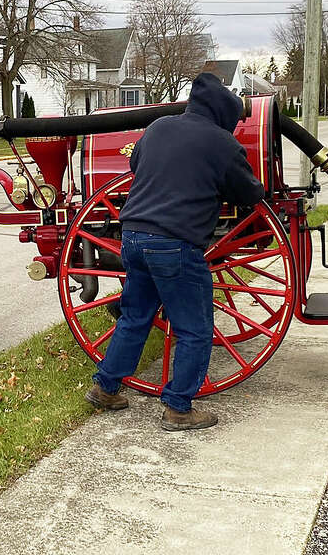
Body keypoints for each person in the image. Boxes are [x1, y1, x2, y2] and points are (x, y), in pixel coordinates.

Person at [84, 72, 266, 431]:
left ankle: (105, 388)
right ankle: (179, 408)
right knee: (194, 328)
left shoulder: (159, 127)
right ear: (224, 115)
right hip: (175, 243)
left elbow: (136, 166)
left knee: (135, 315)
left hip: (133, 236)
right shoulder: (222, 144)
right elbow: (250, 194)